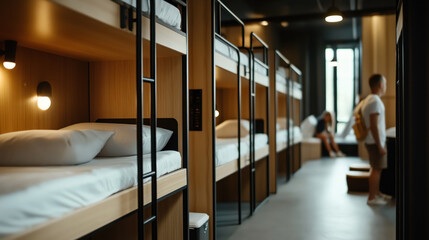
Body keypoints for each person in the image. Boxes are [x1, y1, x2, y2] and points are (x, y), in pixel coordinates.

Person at [360, 74, 391, 205]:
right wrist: (380, 145)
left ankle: (377, 194)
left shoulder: (369, 99)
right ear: (380, 85)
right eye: (384, 83)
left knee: (375, 168)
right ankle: (372, 198)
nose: (385, 87)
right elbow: (373, 125)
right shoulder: (375, 101)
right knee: (376, 169)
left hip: (372, 140)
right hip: (374, 141)